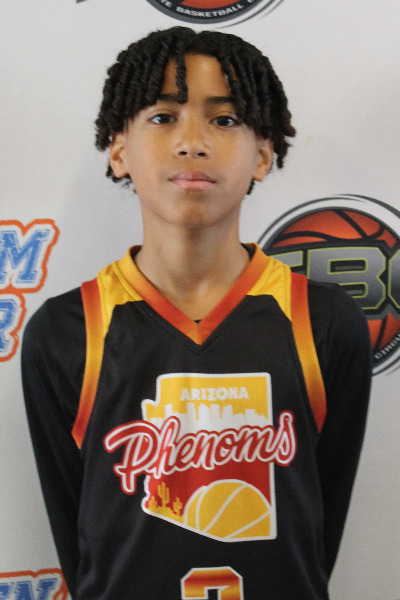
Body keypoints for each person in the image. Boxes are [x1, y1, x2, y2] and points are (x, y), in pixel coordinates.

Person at [22, 27, 371, 600]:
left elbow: (317, 535)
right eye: (163, 117)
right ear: (118, 149)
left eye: (224, 119)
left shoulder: (324, 322)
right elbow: (79, 544)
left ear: (263, 154)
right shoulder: (67, 330)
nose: (192, 142)